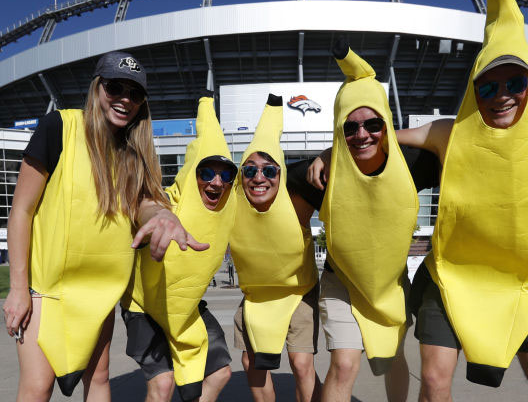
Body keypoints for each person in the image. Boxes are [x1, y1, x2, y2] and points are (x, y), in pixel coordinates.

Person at [311, 0, 528, 400]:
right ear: (474, 88)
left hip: (518, 281)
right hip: (449, 277)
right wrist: (332, 150)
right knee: (434, 382)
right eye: (488, 86)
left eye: (515, 82)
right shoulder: (448, 133)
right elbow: (381, 137)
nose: (502, 94)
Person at [1, 51, 209, 402]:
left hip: (100, 294)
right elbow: (21, 211)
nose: (125, 99)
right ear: (98, 88)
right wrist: (18, 289)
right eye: (116, 88)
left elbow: (145, 203)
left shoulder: (133, 154)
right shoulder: (60, 128)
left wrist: (163, 216)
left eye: (135, 93)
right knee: (38, 386)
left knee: (99, 380)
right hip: (47, 291)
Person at [287, 39, 442, 402]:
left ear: (386, 123)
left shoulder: (413, 163)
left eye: (373, 123)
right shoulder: (318, 176)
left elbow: (462, 139)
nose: (362, 135)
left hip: (390, 283)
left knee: (393, 356)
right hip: (341, 281)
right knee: (344, 364)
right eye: (349, 127)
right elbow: (269, 199)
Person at [120, 94, 234, 402]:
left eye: (226, 174)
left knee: (219, 372)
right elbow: (148, 205)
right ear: (191, 172)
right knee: (163, 383)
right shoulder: (167, 200)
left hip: (184, 306)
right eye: (206, 172)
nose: (216, 182)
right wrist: (160, 216)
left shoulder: (228, 211)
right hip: (143, 305)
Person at [230, 95, 322, 402]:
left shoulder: (298, 204)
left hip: (298, 291)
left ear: (281, 176)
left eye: (269, 171)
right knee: (250, 363)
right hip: (256, 295)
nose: (259, 178)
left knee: (301, 362)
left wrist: (327, 157)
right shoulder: (231, 206)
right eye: (250, 170)